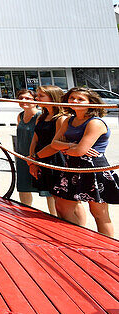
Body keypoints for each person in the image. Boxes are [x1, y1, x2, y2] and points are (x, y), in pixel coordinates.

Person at [43, 88, 119, 237]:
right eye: (72, 98)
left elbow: (80, 151)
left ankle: (109, 248)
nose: (75, 101)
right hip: (71, 167)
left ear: (91, 103)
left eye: (80, 99)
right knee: (62, 207)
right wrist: (71, 146)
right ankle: (80, 238)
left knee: (98, 213)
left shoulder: (95, 123)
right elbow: (54, 144)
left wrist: (67, 148)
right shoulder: (68, 120)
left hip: (93, 169)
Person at [27, 85, 67, 219]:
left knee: (65, 198)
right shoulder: (42, 117)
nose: (37, 98)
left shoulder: (61, 118)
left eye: (41, 96)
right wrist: (32, 160)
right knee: (52, 193)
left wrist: (35, 158)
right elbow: (35, 139)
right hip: (40, 158)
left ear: (53, 97)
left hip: (56, 159)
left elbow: (56, 144)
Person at [12, 89, 42, 207]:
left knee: (46, 190)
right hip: (22, 155)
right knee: (23, 187)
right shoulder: (20, 115)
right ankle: (25, 209)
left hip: (37, 155)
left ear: (35, 101)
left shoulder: (40, 116)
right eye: (21, 98)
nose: (24, 101)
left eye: (28, 98)